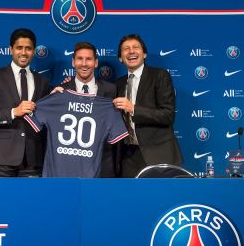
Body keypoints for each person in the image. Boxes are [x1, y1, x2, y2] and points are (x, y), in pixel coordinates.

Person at [0, 28, 50, 177]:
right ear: (11, 49)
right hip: (2, 159)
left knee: (31, 201)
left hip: (33, 159)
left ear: (34, 51)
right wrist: (13, 112)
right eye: (19, 48)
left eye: (28, 48)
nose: (23, 53)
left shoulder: (43, 81)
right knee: (0, 201)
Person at [113, 34, 183, 178]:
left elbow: (168, 115)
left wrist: (133, 109)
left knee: (163, 199)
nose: (131, 51)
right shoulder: (117, 84)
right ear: (120, 58)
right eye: (126, 49)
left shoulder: (160, 76)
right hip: (127, 157)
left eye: (136, 47)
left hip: (158, 154)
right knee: (132, 199)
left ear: (144, 54)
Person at [57, 42, 118, 177]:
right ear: (73, 62)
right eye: (79, 59)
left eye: (89, 59)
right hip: (70, 163)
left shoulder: (111, 89)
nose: (84, 64)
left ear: (96, 63)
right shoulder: (60, 91)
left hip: (103, 163)